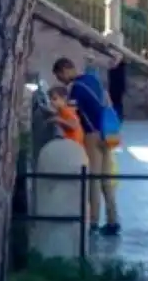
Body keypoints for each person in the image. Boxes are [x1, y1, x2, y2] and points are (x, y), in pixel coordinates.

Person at [52, 57, 120, 236]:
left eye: (60, 76)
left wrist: (55, 111)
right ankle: (113, 221)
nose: (61, 81)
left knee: (93, 180)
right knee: (106, 180)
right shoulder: (94, 80)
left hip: (92, 135)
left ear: (66, 69)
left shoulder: (75, 89)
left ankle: (94, 222)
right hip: (108, 133)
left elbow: (71, 115)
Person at [107, 53, 127, 122]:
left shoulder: (120, 64)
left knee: (117, 103)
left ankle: (118, 117)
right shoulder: (112, 64)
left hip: (118, 88)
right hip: (113, 87)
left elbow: (117, 61)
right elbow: (112, 65)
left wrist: (116, 57)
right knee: (115, 103)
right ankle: (116, 117)